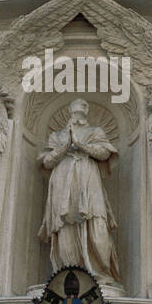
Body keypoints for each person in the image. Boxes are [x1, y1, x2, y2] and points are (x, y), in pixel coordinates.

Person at [38, 98, 121, 280]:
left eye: (84, 104)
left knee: (97, 222)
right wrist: (66, 146)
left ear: (87, 110)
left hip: (89, 179)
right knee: (65, 224)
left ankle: (101, 272)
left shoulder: (95, 131)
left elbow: (105, 153)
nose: (81, 106)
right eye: (77, 104)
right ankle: (69, 274)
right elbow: (47, 161)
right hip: (62, 180)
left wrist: (80, 145)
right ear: (70, 109)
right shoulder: (57, 136)